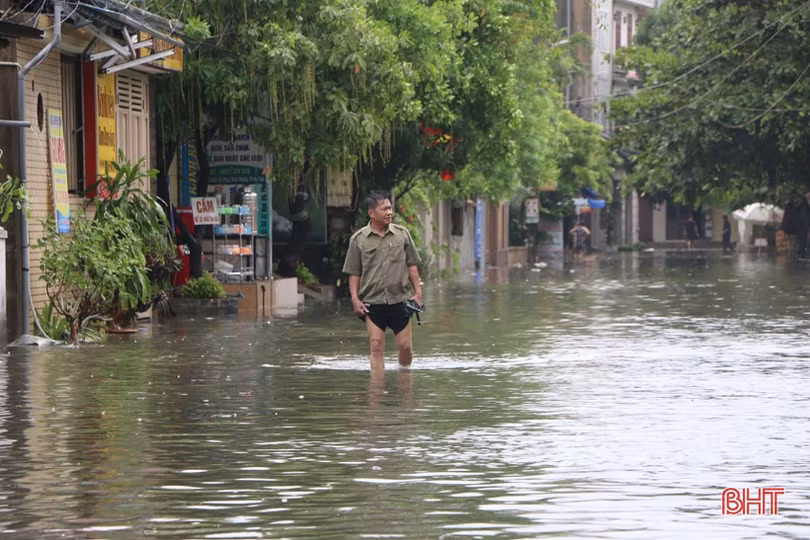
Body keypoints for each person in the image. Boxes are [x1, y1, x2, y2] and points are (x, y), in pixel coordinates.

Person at [343, 192, 423, 372]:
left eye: (390, 208)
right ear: (371, 213)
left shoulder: (402, 235)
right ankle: (376, 393)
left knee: (405, 347)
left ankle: (404, 378)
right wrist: (355, 300)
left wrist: (418, 293)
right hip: (373, 302)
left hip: (400, 300)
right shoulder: (358, 240)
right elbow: (354, 273)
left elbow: (412, 265)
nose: (389, 212)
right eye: (384, 209)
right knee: (376, 346)